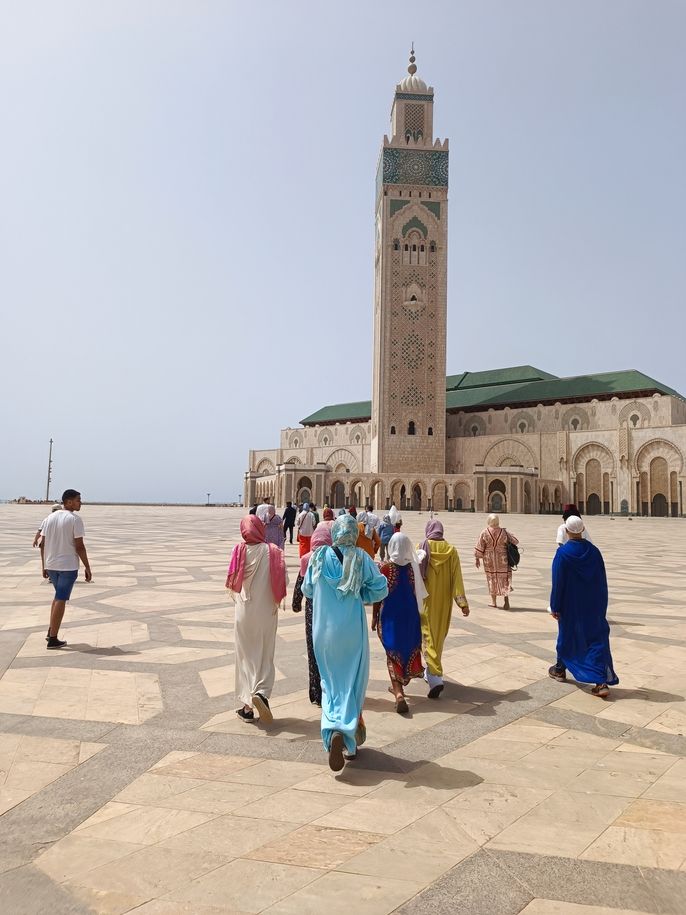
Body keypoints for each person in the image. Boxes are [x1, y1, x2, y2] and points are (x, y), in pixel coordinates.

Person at [303, 514, 388, 771]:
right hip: (352, 631)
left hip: (324, 632)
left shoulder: (318, 557)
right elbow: (379, 589)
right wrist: (361, 590)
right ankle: (347, 739)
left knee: (329, 683)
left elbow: (308, 589)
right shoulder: (361, 558)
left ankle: (332, 729)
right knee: (352, 682)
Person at [226, 515, 287, 723]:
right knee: (264, 653)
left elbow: (233, 580)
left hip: (243, 611)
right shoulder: (274, 552)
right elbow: (284, 580)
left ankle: (247, 707)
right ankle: (261, 692)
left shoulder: (239, 550)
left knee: (244, 656)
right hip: (267, 612)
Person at [548, 516, 618, 698]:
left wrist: (555, 605)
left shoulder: (563, 554)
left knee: (567, 635)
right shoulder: (594, 552)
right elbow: (602, 580)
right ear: (583, 528)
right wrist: (602, 604)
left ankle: (559, 669)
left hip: (570, 604)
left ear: (566, 530)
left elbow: (558, 582)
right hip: (593, 603)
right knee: (596, 639)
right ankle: (600, 682)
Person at [373, 532, 426, 713]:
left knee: (392, 652)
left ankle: (398, 693)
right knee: (406, 649)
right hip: (410, 617)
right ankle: (399, 685)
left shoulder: (386, 568)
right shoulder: (413, 568)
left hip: (391, 617)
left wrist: (374, 617)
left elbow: (378, 596)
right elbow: (419, 593)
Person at [418, 520, 469, 698]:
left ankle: (435, 676)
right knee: (438, 636)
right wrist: (462, 602)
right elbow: (457, 578)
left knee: (427, 635)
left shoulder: (422, 547)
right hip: (444, 602)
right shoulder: (451, 551)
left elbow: (415, 575)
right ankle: (432, 671)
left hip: (425, 601)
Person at [40, 489, 92, 649]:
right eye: (78, 500)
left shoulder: (49, 518)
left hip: (52, 564)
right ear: (68, 502)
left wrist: (44, 565)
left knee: (57, 597)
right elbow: (79, 546)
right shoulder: (74, 519)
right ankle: (53, 638)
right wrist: (87, 567)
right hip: (67, 566)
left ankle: (51, 631)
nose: (80, 502)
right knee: (61, 599)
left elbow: (43, 544)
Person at [292, 525, 333, 705]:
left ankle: (316, 692)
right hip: (332, 612)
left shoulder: (307, 558)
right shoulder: (335, 558)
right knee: (331, 651)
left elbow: (300, 583)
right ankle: (332, 689)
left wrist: (295, 603)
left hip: (312, 612)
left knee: (313, 649)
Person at [474, 514, 518, 610]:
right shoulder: (504, 532)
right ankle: (506, 600)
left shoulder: (485, 532)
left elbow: (480, 546)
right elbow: (515, 541)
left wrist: (477, 558)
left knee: (491, 578)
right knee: (504, 579)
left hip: (489, 559)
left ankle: (494, 602)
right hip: (503, 559)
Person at [33, 504, 62, 576]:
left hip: (46, 543)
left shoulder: (47, 519)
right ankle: (54, 573)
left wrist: (35, 539)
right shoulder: (63, 519)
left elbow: (40, 531)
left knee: (47, 559)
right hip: (58, 543)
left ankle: (48, 573)